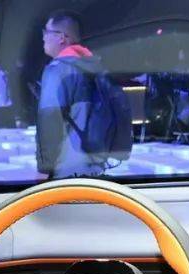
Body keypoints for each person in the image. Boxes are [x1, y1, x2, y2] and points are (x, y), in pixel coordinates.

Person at [36, 10, 115, 178]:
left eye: (46, 32)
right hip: (98, 164)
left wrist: (44, 167)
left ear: (61, 37)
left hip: (68, 168)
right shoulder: (97, 69)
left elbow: (50, 120)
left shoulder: (58, 70)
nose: (43, 37)